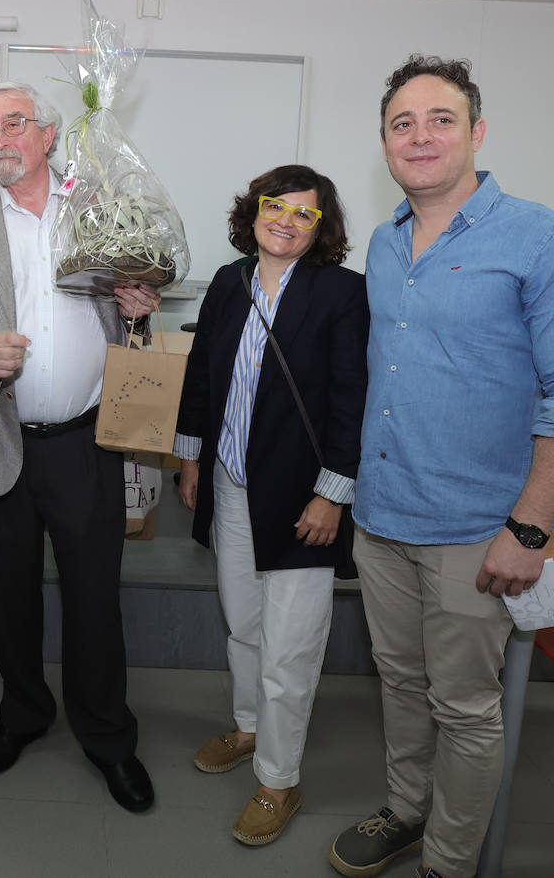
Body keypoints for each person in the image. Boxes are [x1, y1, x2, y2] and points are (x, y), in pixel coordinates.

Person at [327, 56, 554, 878]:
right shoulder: (384, 245)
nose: (420, 137)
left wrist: (528, 529)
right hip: (383, 517)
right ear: (383, 141)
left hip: (477, 530)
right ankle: (406, 809)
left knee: (464, 707)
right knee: (400, 684)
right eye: (402, 123)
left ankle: (447, 864)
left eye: (441, 119)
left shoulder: (549, 240)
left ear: (477, 132)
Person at [0, 80, 160, 813]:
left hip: (88, 444)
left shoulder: (97, 209)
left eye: (13, 123)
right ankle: (24, 712)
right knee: (8, 598)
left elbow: (133, 321)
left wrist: (140, 304)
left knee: (95, 601)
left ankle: (107, 734)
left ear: (49, 135)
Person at [176, 165, 369, 846]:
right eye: (274, 206)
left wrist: (331, 494)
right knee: (243, 622)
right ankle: (250, 725)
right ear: (253, 211)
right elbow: (201, 370)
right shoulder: (230, 282)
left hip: (301, 500)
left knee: (290, 645)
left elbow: (353, 400)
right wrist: (191, 454)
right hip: (230, 484)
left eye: (304, 214)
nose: (285, 220)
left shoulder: (344, 293)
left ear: (323, 227)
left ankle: (279, 777)